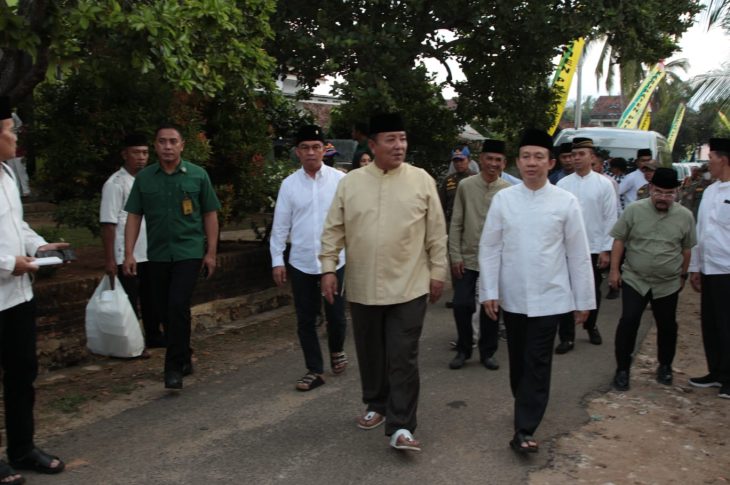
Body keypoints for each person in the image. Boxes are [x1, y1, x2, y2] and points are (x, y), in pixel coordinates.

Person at [320, 112, 448, 453]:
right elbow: (333, 228)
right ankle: (376, 403)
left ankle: (402, 425)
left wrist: (438, 272)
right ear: (372, 145)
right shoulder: (351, 183)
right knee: (370, 351)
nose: (399, 145)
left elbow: (436, 232)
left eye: (402, 138)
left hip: (410, 285)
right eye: (391, 139)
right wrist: (328, 268)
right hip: (363, 284)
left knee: (403, 355)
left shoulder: (421, 180)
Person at [479, 128, 595, 454]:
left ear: (551, 162)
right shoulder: (504, 200)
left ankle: (525, 429)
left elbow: (578, 253)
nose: (532, 163)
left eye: (539, 157)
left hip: (551, 297)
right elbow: (490, 248)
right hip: (513, 296)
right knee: (518, 360)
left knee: (538, 361)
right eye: (526, 157)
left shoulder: (565, 201)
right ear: (517, 162)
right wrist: (489, 291)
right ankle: (524, 403)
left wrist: (584, 300)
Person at [123, 124, 221, 390]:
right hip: (157, 254)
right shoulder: (145, 179)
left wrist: (211, 252)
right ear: (156, 146)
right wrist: (129, 253)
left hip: (188, 252)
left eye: (173, 141)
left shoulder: (198, 175)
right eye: (162, 141)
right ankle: (184, 355)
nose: (167, 146)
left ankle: (173, 367)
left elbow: (210, 214)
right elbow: (134, 215)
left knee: (177, 304)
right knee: (166, 308)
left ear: (182, 145)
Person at [0, 96, 66, 483]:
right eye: (10, 130)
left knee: (22, 373)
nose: (16, 137)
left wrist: (39, 247)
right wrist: (9, 263)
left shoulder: (7, 175)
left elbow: (17, 226)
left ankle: (22, 448)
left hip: (18, 296)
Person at [270, 124, 348, 391]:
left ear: (324, 150)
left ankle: (337, 348)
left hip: (335, 261)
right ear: (297, 152)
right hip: (301, 261)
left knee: (336, 316)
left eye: (316, 147)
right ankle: (314, 369)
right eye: (305, 148)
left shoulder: (340, 181)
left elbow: (351, 219)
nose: (311, 152)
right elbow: (280, 225)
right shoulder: (289, 185)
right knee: (305, 319)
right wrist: (277, 260)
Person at [608, 167, 695, 391]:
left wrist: (683, 275)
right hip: (635, 278)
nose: (663, 198)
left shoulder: (685, 216)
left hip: (667, 283)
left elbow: (686, 249)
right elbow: (619, 240)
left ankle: (665, 366)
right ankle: (622, 369)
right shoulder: (634, 210)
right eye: (658, 192)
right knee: (629, 321)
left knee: (667, 325)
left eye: (669, 193)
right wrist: (614, 271)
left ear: (676, 192)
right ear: (650, 189)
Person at [448, 139, 511, 370]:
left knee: (491, 306)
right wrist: (455, 255)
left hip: (495, 260)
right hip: (468, 257)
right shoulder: (466, 186)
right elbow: (456, 222)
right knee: (461, 304)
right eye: (489, 158)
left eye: (498, 160)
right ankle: (464, 349)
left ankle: (488, 352)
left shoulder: (508, 191)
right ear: (481, 159)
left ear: (504, 163)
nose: (493, 163)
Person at [100, 133, 164, 349]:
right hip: (125, 253)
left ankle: (154, 335)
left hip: (149, 250)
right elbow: (108, 223)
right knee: (129, 299)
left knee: (151, 297)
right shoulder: (115, 183)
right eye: (136, 153)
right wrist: (110, 259)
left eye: (145, 153)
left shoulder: (148, 180)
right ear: (125, 154)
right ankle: (133, 343)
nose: (141, 157)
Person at [555, 138, 617, 353]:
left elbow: (610, 218)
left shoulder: (604, 184)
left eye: (582, 154)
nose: (576, 158)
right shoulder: (563, 185)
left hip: (593, 247)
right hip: (566, 248)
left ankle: (591, 325)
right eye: (574, 154)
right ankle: (567, 336)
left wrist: (606, 249)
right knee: (566, 290)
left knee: (592, 290)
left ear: (592, 157)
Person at [688, 138, 730, 399]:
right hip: (709, 267)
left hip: (728, 269)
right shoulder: (711, 191)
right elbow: (700, 231)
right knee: (711, 323)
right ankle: (716, 371)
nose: (708, 163)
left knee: (728, 324)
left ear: (723, 160)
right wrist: (695, 267)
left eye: (711, 158)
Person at [440, 147, 476, 226]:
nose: (458, 163)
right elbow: (441, 205)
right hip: (451, 222)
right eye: (456, 161)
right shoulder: (448, 180)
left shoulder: (476, 178)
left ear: (469, 160)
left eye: (461, 160)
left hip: (471, 223)